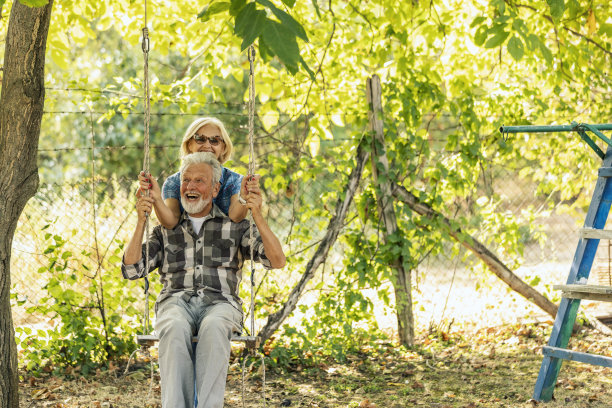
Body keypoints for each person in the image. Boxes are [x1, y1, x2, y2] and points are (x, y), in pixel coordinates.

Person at [122, 152, 286, 408]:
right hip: (176, 303)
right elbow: (132, 269)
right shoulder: (166, 230)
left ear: (215, 188)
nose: (190, 186)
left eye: (200, 180)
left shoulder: (235, 226)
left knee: (214, 325)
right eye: (186, 180)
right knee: (173, 326)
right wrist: (141, 220)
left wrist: (258, 215)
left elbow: (277, 260)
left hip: (220, 303)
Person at [138, 117, 258, 227]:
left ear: (223, 148)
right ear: (190, 144)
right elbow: (171, 221)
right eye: (200, 139)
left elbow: (235, 217)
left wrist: (243, 197)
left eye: (215, 140)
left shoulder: (235, 181)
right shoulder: (174, 182)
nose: (207, 145)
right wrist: (156, 198)